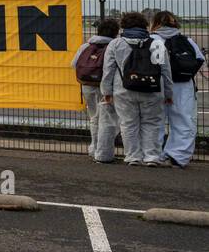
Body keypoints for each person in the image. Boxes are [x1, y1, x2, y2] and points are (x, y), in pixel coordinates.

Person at [101, 11, 173, 166]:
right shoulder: (157, 43)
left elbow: (108, 71)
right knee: (152, 122)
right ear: (145, 25)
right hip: (153, 89)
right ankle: (152, 156)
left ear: (123, 26)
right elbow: (166, 70)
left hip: (124, 90)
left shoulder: (115, 44)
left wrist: (106, 92)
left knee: (128, 123)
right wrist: (168, 92)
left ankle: (133, 156)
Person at [151, 11, 205, 168]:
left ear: (155, 23)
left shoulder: (153, 40)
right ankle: (178, 156)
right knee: (184, 120)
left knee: (155, 120)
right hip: (183, 84)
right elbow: (199, 58)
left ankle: (154, 154)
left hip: (157, 85)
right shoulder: (185, 40)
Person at [72, 18, 119, 162]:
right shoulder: (115, 46)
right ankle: (103, 150)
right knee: (109, 119)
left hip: (87, 85)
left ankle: (94, 147)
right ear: (116, 32)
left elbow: (74, 64)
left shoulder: (86, 46)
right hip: (107, 88)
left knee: (94, 117)